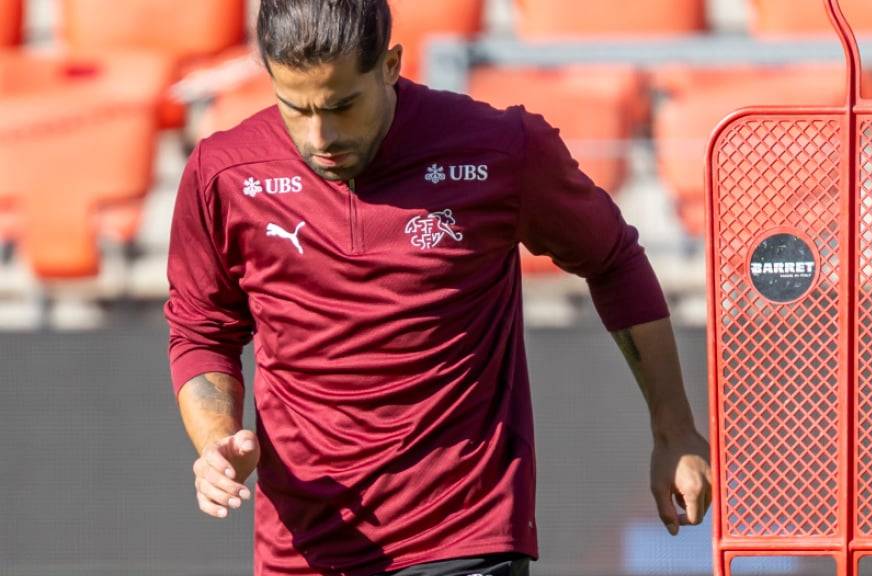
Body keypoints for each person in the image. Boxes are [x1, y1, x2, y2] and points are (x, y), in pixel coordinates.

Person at [164, 1, 712, 574]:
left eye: (342, 105)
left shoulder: (498, 149)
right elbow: (201, 330)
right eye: (295, 108)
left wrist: (673, 429)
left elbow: (614, 260)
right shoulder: (223, 171)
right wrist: (217, 440)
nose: (320, 135)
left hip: (463, 530)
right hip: (304, 548)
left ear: (390, 65)